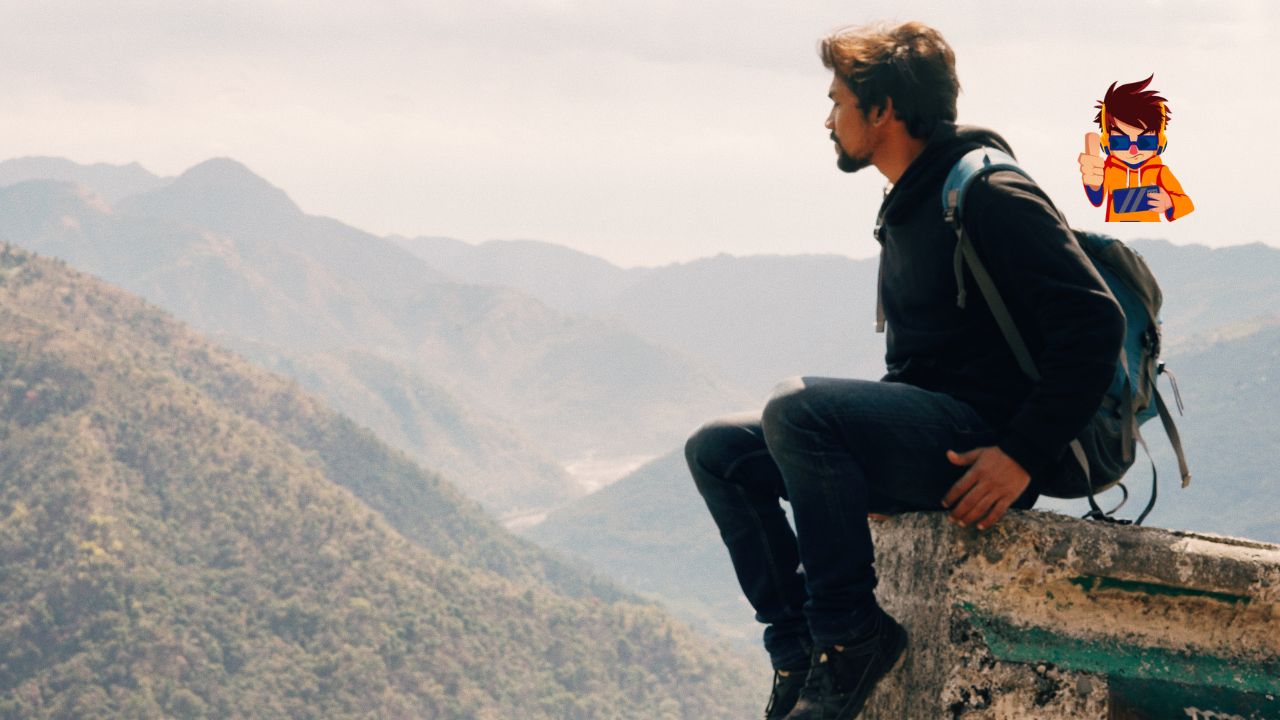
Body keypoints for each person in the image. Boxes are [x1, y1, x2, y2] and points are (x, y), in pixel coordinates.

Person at [684, 21, 1125, 720]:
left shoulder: (988, 191)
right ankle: (797, 647)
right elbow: (926, 364)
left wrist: (1021, 455)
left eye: (838, 102)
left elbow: (1097, 321)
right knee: (718, 451)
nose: (829, 120)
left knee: (795, 407)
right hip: (935, 431)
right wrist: (862, 460)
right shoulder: (910, 203)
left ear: (884, 109)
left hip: (985, 447)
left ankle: (851, 638)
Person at [1078, 74, 1193, 222]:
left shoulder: (1160, 172)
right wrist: (1091, 182)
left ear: (1159, 143)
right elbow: (1096, 199)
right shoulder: (1109, 170)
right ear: (1107, 143)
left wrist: (1169, 202)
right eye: (1121, 142)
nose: (1133, 151)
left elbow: (1187, 203)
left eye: (1145, 142)